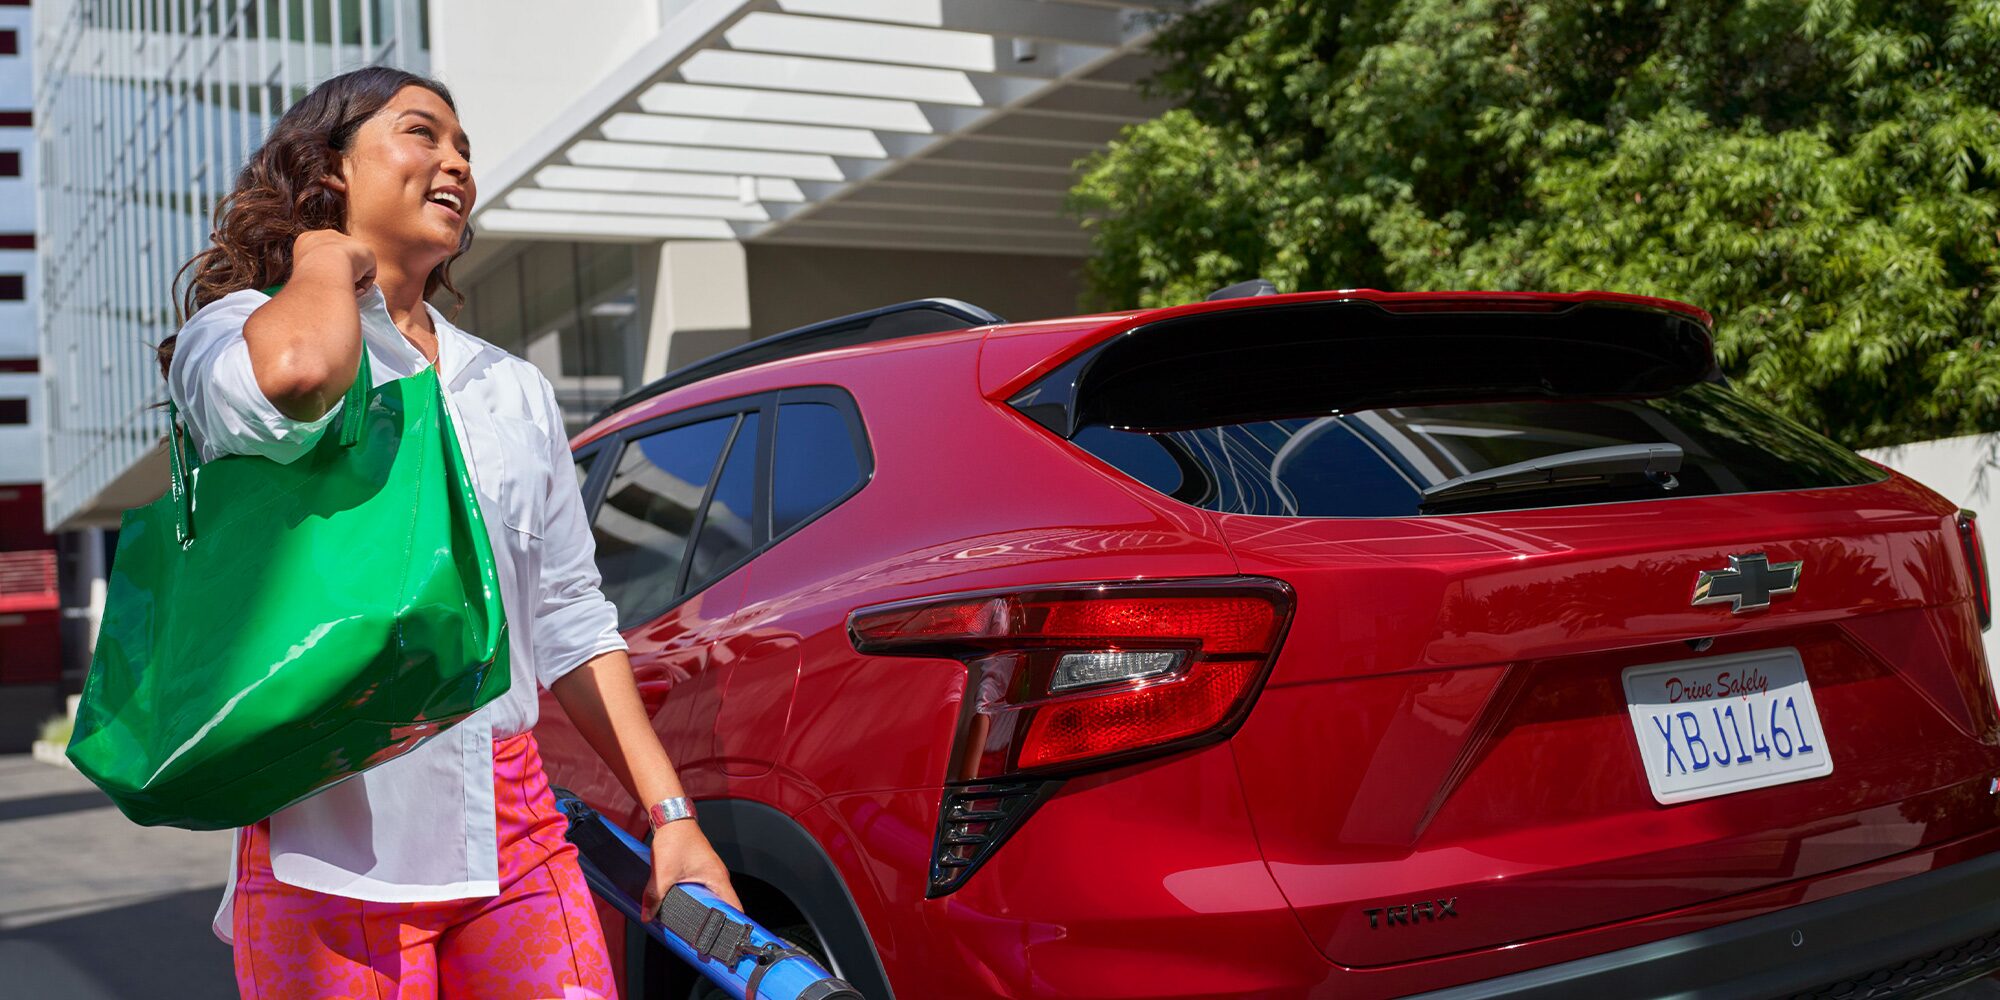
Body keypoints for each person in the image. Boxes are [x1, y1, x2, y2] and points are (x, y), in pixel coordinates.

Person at [157, 66, 739, 998]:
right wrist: (323, 256)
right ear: (329, 168)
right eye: (422, 134)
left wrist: (672, 815)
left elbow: (570, 621)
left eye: (465, 147)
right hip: (321, 833)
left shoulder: (510, 388)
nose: (457, 164)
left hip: (513, 822)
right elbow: (302, 376)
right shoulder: (233, 332)